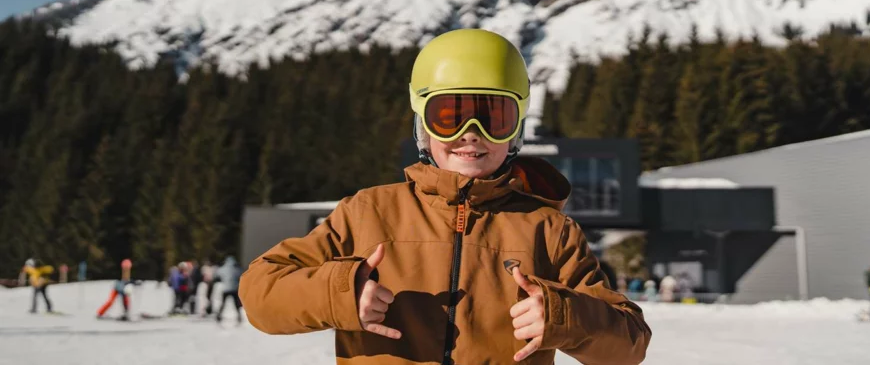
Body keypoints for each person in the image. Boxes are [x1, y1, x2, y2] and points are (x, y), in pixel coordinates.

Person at [239, 29, 652, 364]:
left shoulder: (549, 230)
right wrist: (340, 293)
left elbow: (630, 344)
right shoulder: (368, 212)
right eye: (450, 117)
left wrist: (566, 317)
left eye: (493, 118)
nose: (471, 134)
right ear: (423, 126)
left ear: (516, 131)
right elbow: (260, 293)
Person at [214, 256, 243, 324]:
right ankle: (239, 316)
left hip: (225, 289)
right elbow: (241, 274)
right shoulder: (236, 269)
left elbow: (217, 274)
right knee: (236, 304)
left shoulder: (223, 268)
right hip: (234, 289)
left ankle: (219, 316)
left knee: (223, 303)